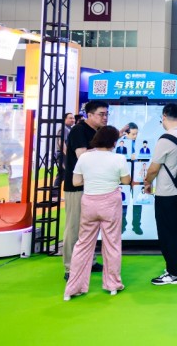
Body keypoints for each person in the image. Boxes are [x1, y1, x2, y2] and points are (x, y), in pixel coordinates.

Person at [64, 126, 131, 301]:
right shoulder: (119, 158)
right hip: (110, 203)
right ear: (114, 142)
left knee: (83, 244)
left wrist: (92, 179)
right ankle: (113, 284)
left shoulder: (85, 157)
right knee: (112, 244)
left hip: (89, 201)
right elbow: (126, 180)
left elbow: (76, 181)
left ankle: (73, 288)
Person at [144, 103, 177, 285]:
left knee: (167, 233)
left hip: (167, 193)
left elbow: (153, 168)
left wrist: (147, 183)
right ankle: (173, 267)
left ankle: (173, 273)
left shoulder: (165, 140)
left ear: (164, 116)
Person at [63, 101, 110, 281]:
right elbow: (82, 156)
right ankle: (70, 266)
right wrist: (103, 149)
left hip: (93, 186)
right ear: (89, 115)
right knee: (74, 227)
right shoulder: (79, 130)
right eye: (101, 114)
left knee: (90, 228)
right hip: (77, 187)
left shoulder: (97, 132)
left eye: (106, 114)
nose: (105, 117)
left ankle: (90, 261)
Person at [53, 113, 75, 191]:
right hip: (63, 155)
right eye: (70, 118)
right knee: (65, 173)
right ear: (65, 119)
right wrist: (67, 154)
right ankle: (55, 193)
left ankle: (55, 193)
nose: (73, 120)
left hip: (64, 154)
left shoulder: (69, 128)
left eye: (73, 118)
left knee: (61, 174)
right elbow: (61, 142)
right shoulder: (64, 129)